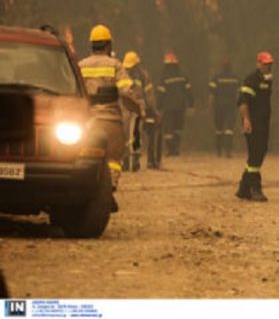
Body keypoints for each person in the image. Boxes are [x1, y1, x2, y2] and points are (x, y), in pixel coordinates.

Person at [78, 24, 142, 212]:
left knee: (84, 156)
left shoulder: (80, 66)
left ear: (91, 45)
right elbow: (126, 92)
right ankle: (108, 191)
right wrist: (138, 109)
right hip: (110, 120)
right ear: (108, 45)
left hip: (86, 122)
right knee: (113, 158)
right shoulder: (115, 65)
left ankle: (86, 191)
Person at [236, 51, 275, 202]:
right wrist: (246, 120)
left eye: (270, 64)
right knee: (255, 153)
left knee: (261, 150)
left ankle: (243, 188)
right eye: (265, 64)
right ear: (258, 64)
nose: (268, 67)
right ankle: (255, 188)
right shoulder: (251, 80)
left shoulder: (268, 80)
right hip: (252, 122)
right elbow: (243, 102)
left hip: (263, 122)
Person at [157, 52, 193, 157]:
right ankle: (176, 149)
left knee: (169, 129)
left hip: (168, 107)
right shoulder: (183, 76)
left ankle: (170, 150)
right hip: (181, 106)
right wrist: (191, 104)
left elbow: (161, 94)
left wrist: (158, 107)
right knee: (178, 128)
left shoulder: (164, 77)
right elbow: (188, 91)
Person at [120, 51, 147, 173]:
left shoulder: (142, 75)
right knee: (126, 133)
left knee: (136, 132)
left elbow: (149, 92)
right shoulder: (122, 74)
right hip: (126, 106)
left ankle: (134, 160)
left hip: (136, 107)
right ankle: (126, 160)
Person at [209, 59, 241, 157]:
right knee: (229, 129)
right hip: (231, 106)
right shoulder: (236, 78)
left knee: (218, 128)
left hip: (218, 106)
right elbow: (240, 94)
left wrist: (210, 106)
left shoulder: (216, 78)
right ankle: (228, 150)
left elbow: (211, 94)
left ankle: (219, 151)